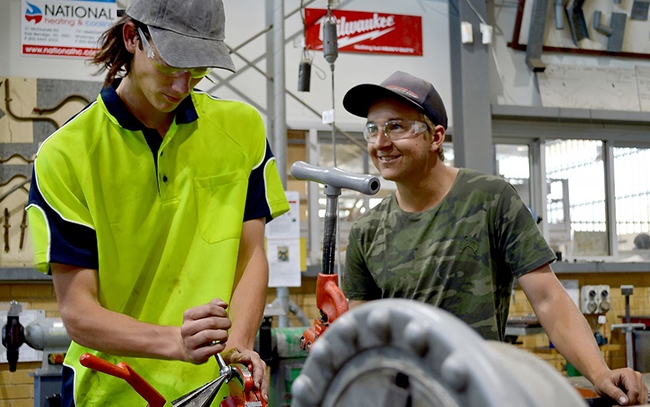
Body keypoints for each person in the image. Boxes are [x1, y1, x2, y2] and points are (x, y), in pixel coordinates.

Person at [25, 0, 289, 405]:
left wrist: (237, 351)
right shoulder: (66, 155)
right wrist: (173, 342)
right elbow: (78, 310)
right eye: (169, 66)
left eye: (198, 70)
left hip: (216, 389)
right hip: (112, 390)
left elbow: (251, 254)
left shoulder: (243, 130)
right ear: (132, 37)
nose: (182, 86)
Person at [341, 71, 648, 405]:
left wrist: (600, 373)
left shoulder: (490, 199)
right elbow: (364, 335)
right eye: (372, 128)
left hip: (478, 394)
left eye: (396, 127)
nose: (380, 142)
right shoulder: (366, 231)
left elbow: (548, 298)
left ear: (435, 136)